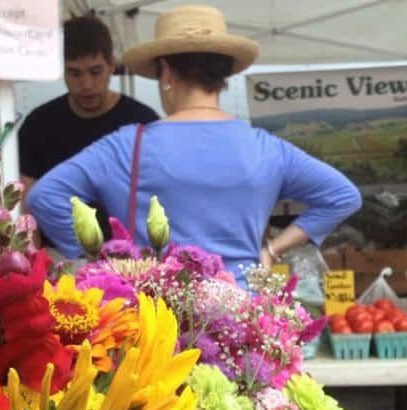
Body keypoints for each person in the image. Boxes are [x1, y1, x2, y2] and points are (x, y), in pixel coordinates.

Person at [27, 5, 361, 282]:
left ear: (166, 72)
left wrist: (95, 261)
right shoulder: (266, 148)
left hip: (153, 326)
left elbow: (44, 196)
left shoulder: (125, 146)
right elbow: (342, 196)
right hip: (244, 323)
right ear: (223, 74)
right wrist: (271, 250)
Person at [19, 15, 159, 244]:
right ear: (60, 70)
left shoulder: (142, 121)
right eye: (74, 73)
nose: (86, 85)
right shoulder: (38, 124)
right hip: (59, 258)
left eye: (95, 72)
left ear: (112, 65)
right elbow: (26, 202)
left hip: (131, 257)